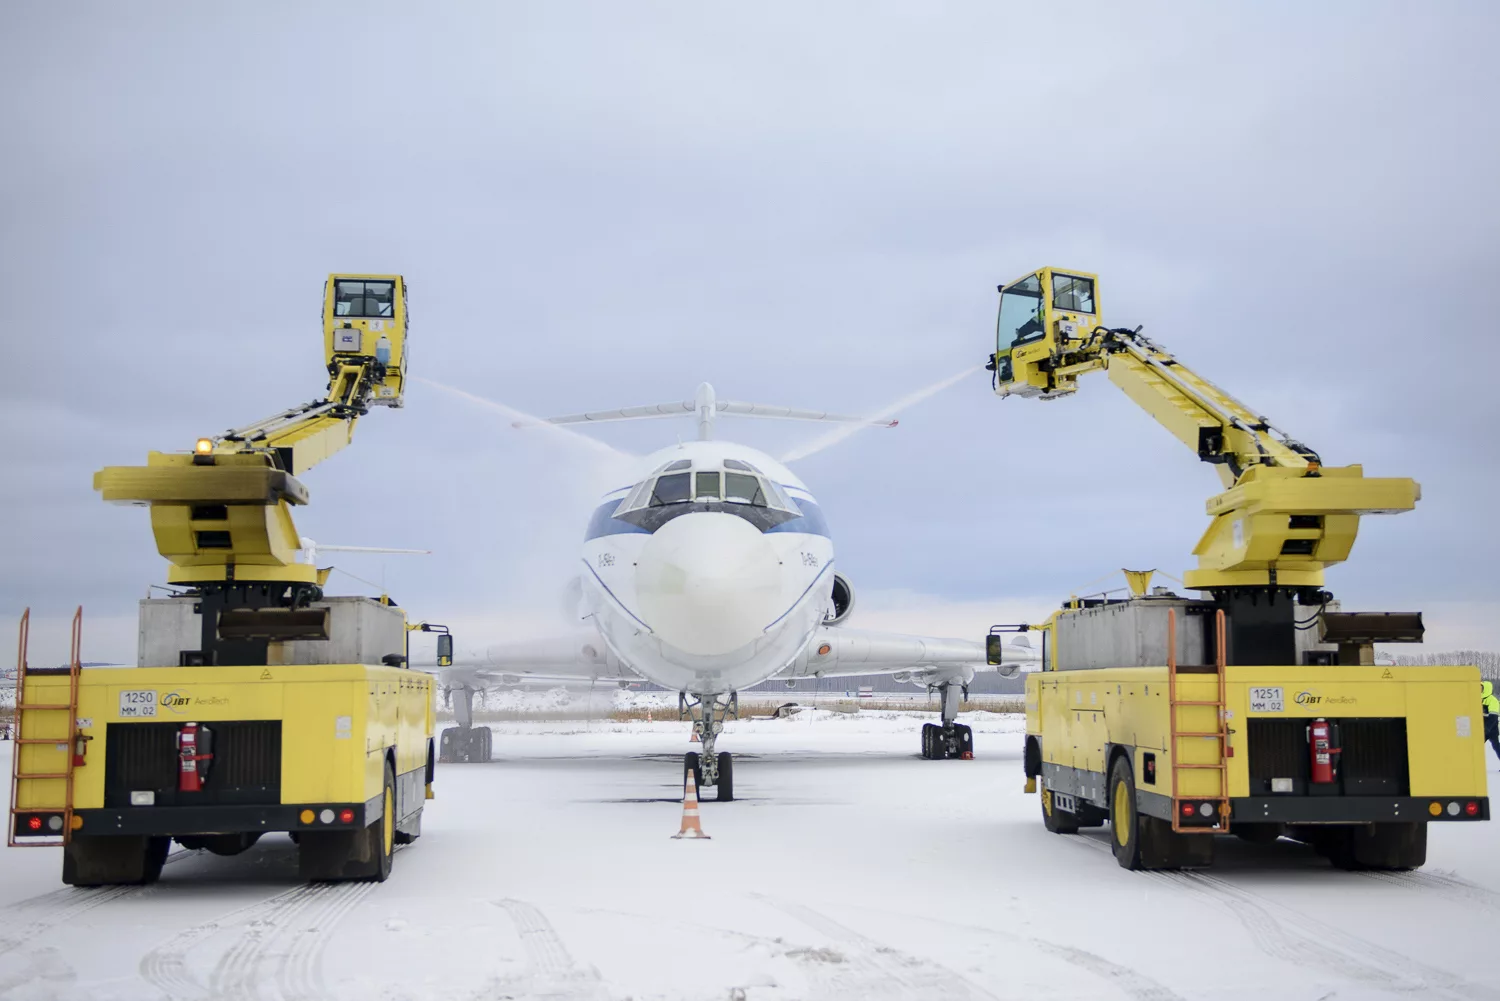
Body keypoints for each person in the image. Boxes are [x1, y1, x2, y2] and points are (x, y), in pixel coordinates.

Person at [1483, 680, 1500, 762]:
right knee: (1475, 746)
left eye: (1482, 688)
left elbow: (1493, 717)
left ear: (1486, 689)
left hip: (1492, 729)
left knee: (1496, 746)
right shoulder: (1479, 699)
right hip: (1483, 729)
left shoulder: (1493, 700)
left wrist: (1486, 728)